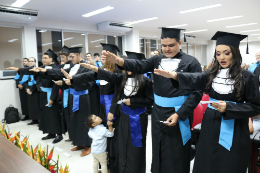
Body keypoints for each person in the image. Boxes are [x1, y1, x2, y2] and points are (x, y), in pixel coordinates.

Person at [154, 31, 260, 173]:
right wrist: (175, 75)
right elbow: (195, 78)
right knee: (206, 163)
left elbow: (255, 107)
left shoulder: (247, 77)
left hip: (234, 127)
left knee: (229, 164)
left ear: (235, 53)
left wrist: (229, 107)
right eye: (218, 53)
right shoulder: (211, 73)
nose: (221, 57)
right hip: (210, 125)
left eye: (226, 53)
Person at [102, 28, 202, 173]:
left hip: (178, 113)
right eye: (164, 45)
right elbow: (140, 65)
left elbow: (197, 92)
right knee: (158, 148)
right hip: (158, 113)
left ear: (180, 43)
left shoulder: (191, 63)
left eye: (171, 45)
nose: (167, 49)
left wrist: (180, 114)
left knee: (176, 151)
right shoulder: (157, 59)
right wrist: (120, 61)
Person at [82, 51, 154, 173]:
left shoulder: (146, 81)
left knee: (135, 147)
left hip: (138, 118)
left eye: (131, 66)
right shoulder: (122, 78)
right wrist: (96, 69)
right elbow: (110, 76)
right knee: (122, 143)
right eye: (127, 65)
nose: (128, 68)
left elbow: (150, 101)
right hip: (123, 116)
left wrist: (134, 102)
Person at [65, 43, 120, 171]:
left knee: (113, 136)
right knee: (102, 136)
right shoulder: (101, 70)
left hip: (113, 109)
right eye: (102, 54)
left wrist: (112, 110)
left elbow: (117, 93)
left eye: (106, 54)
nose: (102, 56)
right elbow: (87, 76)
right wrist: (72, 78)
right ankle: (104, 163)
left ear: (113, 57)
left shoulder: (117, 72)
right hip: (102, 108)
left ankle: (113, 165)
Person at [44, 47, 94, 156]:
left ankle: (87, 145)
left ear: (79, 55)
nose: (71, 58)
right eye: (69, 56)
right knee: (74, 120)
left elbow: (89, 84)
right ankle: (79, 142)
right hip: (72, 96)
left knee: (84, 121)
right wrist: (63, 82)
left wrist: (72, 82)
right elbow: (66, 78)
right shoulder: (73, 67)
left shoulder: (86, 67)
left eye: (72, 56)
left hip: (82, 98)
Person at [8, 49, 63, 144]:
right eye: (42, 58)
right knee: (46, 115)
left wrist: (52, 98)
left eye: (46, 58)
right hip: (43, 94)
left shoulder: (55, 69)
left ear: (51, 59)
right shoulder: (42, 68)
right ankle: (51, 133)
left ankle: (59, 134)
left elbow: (55, 85)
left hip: (51, 94)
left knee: (54, 115)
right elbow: (30, 70)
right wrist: (18, 69)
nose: (44, 59)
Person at [25, 57, 40, 125]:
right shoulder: (27, 70)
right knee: (31, 105)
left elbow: (37, 81)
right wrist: (27, 88)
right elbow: (25, 80)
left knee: (37, 105)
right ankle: (34, 120)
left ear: (35, 62)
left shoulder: (36, 70)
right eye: (29, 61)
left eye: (32, 61)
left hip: (35, 89)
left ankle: (39, 120)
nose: (30, 62)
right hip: (29, 88)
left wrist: (31, 89)